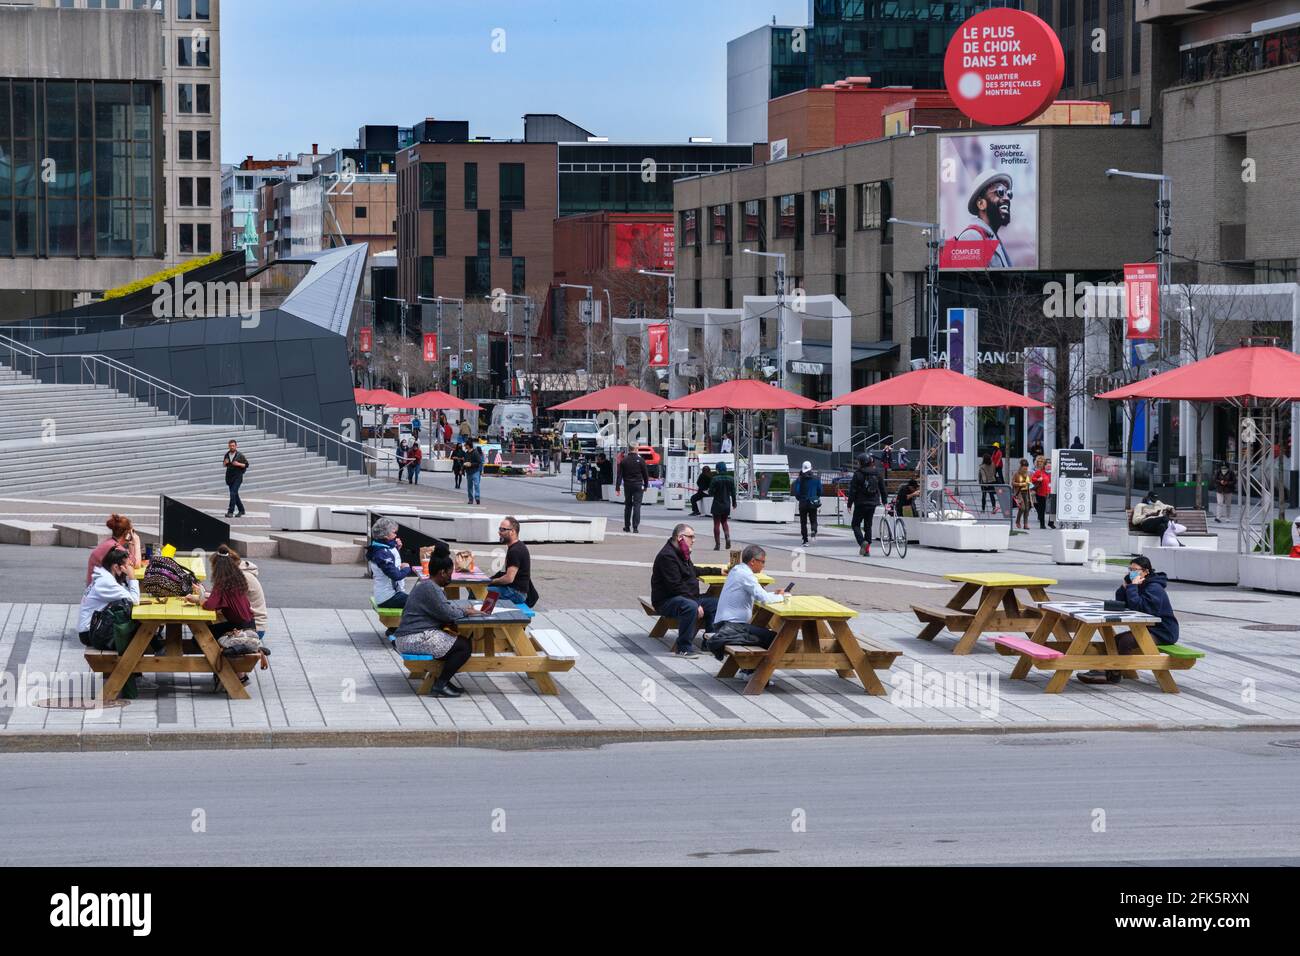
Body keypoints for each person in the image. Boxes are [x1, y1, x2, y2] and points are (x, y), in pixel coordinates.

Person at [1078, 555, 1180, 685]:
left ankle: (1113, 672)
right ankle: (1109, 671)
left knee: (1125, 641)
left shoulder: (1154, 588)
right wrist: (1125, 587)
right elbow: (1123, 603)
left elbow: (1142, 609)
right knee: (1115, 640)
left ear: (1146, 572)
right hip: (1149, 628)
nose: (1131, 573)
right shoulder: (1138, 584)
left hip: (1163, 632)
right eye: (1130, 569)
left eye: (1135, 570)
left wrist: (1133, 587)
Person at [394, 553, 482, 698]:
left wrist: (461, 611)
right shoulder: (431, 589)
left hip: (410, 635)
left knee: (455, 642)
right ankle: (440, 684)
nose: (450, 578)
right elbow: (447, 613)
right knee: (463, 646)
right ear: (442, 572)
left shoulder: (426, 585)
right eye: (449, 573)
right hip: (412, 638)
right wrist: (466, 611)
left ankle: (443, 681)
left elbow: (443, 610)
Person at [704, 545, 786, 679]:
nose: (763, 565)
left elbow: (758, 594)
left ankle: (747, 670)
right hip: (731, 627)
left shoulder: (738, 570)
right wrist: (782, 597)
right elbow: (763, 598)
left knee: (763, 633)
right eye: (763, 562)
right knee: (774, 639)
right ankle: (755, 674)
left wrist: (773, 594)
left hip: (725, 625)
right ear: (753, 561)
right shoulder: (745, 575)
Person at [650, 523, 718, 658]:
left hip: (685, 597)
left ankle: (709, 643)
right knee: (690, 606)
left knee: (716, 604)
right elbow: (675, 586)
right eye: (691, 537)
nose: (694, 540)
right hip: (666, 601)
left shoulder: (681, 552)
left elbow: (693, 570)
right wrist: (696, 603)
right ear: (680, 537)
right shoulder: (667, 556)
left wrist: (718, 571)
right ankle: (683, 648)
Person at [367, 518, 418, 643]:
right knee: (420, 602)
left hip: (389, 594)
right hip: (388, 597)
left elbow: (390, 560)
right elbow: (395, 575)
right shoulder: (381, 553)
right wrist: (407, 569)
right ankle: (398, 630)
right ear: (385, 535)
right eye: (394, 533)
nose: (396, 535)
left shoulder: (380, 547)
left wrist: (396, 546)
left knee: (417, 599)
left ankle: (395, 628)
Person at [78, 547, 140, 645]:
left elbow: (127, 595)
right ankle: (159, 650)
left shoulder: (105, 576)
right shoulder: (106, 582)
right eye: (127, 565)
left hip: (96, 626)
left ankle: (158, 648)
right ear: (116, 567)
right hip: (92, 633)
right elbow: (135, 600)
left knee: (137, 628)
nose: (130, 568)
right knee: (138, 631)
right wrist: (132, 578)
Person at [956, 169, 1014, 268]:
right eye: (1000, 192)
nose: (1007, 198)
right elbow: (968, 281)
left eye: (1008, 193)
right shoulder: (971, 237)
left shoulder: (992, 237)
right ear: (981, 204)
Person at [488, 516, 535, 607]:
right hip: (514, 590)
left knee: (481, 592)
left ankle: (477, 618)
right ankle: (482, 614)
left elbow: (509, 578)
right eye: (499, 529)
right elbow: (503, 573)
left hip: (517, 593)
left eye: (503, 529)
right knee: (480, 588)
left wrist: (491, 581)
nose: (499, 532)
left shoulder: (515, 551)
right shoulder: (515, 547)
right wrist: (488, 579)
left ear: (512, 532)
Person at [86, 513, 141, 586]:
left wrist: (131, 543)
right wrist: (137, 542)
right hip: (103, 590)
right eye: (131, 532)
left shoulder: (108, 543)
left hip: (93, 587)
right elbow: (136, 564)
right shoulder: (117, 549)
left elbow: (131, 560)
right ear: (127, 533)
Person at [849, 453, 887, 556]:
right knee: (868, 525)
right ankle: (867, 550)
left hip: (860, 503)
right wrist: (885, 501)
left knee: (855, 524)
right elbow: (883, 489)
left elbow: (853, 490)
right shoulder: (877, 473)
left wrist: (849, 504)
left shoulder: (858, 474)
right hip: (873, 503)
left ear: (861, 462)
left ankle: (862, 543)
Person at [616, 443, 649, 534]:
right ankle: (635, 527)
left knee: (628, 505)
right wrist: (646, 485)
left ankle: (627, 526)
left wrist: (617, 487)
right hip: (638, 485)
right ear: (635, 449)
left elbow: (620, 475)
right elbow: (645, 474)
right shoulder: (641, 460)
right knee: (637, 506)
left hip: (628, 485)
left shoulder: (624, 460)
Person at [709, 460, 737, 551]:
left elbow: (711, 492)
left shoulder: (715, 479)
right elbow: (733, 492)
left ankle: (717, 544)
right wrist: (734, 503)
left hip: (717, 503)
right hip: (726, 503)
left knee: (716, 523)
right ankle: (727, 536)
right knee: (724, 522)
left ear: (718, 469)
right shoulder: (731, 479)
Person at [793, 461, 822, 546]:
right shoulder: (816, 479)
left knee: (803, 522)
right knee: (813, 520)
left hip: (803, 502)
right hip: (813, 502)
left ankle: (805, 540)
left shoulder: (799, 479)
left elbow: (797, 491)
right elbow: (820, 491)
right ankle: (813, 530)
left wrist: (800, 498)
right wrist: (816, 497)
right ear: (811, 468)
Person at [222, 439, 249, 518]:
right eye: (230, 446)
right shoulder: (227, 455)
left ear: (236, 446)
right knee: (235, 495)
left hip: (238, 477)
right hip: (230, 477)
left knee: (232, 493)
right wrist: (225, 463)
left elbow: (246, 465)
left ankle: (230, 511)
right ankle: (241, 510)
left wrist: (238, 464)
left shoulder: (240, 455)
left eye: (233, 446)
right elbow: (224, 464)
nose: (231, 447)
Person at [1030, 456, 1053, 529]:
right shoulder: (1039, 472)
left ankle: (1050, 523)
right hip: (1040, 493)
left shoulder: (1050, 473)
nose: (1048, 466)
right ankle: (1042, 525)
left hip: (1049, 493)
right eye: (1047, 464)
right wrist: (1038, 479)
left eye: (1050, 464)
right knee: (1042, 509)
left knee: (1050, 509)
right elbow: (1032, 479)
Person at [1011, 459, 1033, 531]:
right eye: (1024, 468)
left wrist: (1030, 484)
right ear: (1021, 467)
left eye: (1026, 468)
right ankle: (1017, 521)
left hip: (1026, 492)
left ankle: (1025, 524)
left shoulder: (1029, 474)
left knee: (1027, 508)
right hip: (1019, 492)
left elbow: (1031, 483)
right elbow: (1013, 483)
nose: (1025, 469)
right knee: (1022, 507)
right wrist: (1020, 484)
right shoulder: (1016, 473)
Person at [465, 439, 484, 505]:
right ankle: (470, 499)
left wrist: (471, 464)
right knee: (469, 486)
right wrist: (462, 469)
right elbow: (465, 461)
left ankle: (477, 498)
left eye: (466, 445)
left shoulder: (475, 452)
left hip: (475, 471)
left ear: (468, 445)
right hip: (468, 472)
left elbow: (479, 462)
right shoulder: (466, 453)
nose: (465, 446)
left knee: (476, 485)